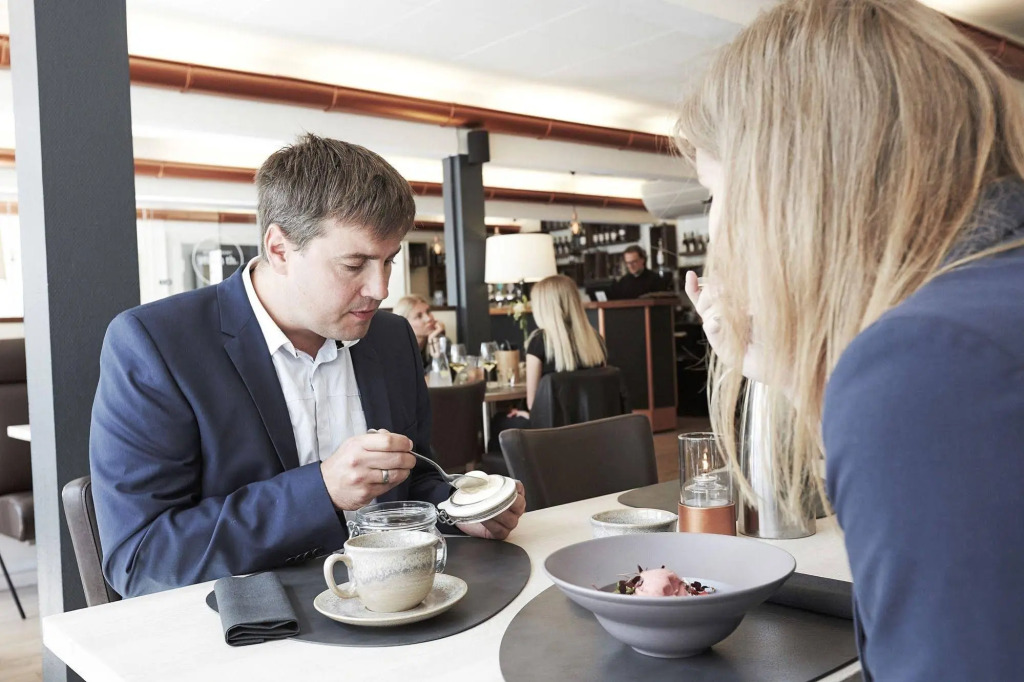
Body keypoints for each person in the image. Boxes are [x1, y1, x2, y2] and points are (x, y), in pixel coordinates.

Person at [677, 1, 1024, 679]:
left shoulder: (928, 365)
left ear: (788, 187)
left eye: (712, 194)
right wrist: (792, 367)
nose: (715, 230)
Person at [90, 135, 525, 598]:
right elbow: (141, 559)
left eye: (389, 261)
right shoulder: (156, 345)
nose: (380, 289)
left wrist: (461, 510)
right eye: (354, 264)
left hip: (400, 607)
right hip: (251, 629)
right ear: (279, 248)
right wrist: (321, 490)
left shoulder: (391, 338)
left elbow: (413, 480)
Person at [489, 275, 607, 447]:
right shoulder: (595, 339)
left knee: (498, 422)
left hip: (551, 432)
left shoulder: (539, 341)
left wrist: (527, 415)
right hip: (593, 429)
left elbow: (533, 404)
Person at [393, 293, 447, 368]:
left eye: (428, 311)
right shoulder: (395, 350)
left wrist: (435, 343)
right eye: (419, 316)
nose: (428, 318)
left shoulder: (440, 339)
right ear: (403, 324)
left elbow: (445, 373)